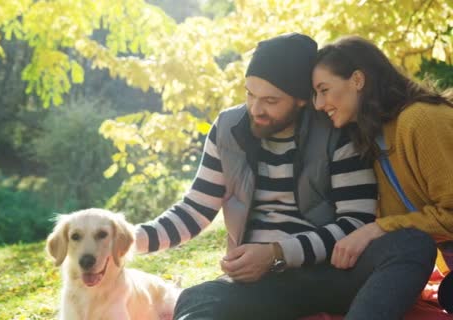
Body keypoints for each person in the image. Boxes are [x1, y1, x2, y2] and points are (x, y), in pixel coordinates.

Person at [133, 33, 437, 320]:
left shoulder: (338, 131)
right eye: (250, 94)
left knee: (410, 244)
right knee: (197, 298)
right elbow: (193, 211)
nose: (256, 109)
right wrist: (125, 241)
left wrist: (276, 253)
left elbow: (355, 223)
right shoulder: (228, 130)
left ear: (302, 99)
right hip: (262, 284)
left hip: (330, 272)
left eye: (271, 101)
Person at [312, 35, 453, 313]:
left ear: (357, 80)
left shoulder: (420, 120)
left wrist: (377, 229)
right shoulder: (374, 139)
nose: (318, 103)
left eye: (324, 89)